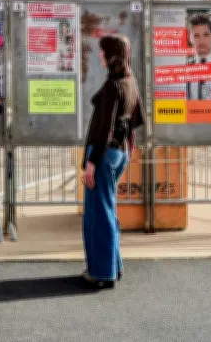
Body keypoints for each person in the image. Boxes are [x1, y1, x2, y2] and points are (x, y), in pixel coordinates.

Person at [82, 34, 144, 289]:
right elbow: (137, 119)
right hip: (121, 152)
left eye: (103, 51)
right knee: (107, 209)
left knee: (98, 214)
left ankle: (102, 273)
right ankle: (112, 267)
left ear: (112, 55)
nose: (100, 56)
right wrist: (127, 141)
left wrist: (92, 163)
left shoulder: (112, 87)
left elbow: (103, 130)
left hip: (104, 154)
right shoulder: (129, 81)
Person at [186, 13, 211, 100]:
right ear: (189, 38)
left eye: (206, 35)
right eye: (196, 36)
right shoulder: (185, 67)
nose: (201, 41)